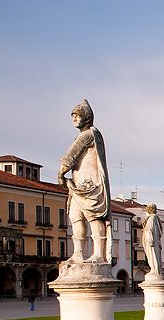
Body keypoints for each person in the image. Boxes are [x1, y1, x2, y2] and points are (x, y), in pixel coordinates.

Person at [58, 99, 111, 263]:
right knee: (76, 217)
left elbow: (70, 157)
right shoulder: (92, 135)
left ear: (87, 117)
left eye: (77, 115)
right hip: (78, 184)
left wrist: (61, 174)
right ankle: (78, 253)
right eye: (72, 116)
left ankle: (98, 255)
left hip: (89, 183)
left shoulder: (88, 135)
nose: (74, 118)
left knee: (94, 217)